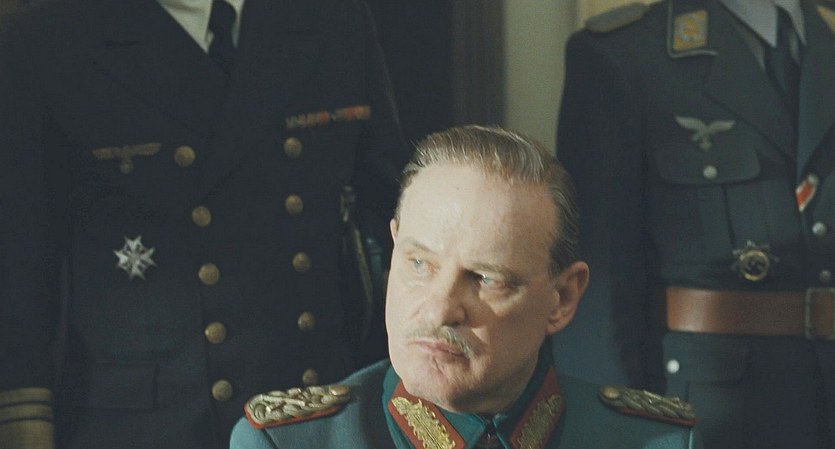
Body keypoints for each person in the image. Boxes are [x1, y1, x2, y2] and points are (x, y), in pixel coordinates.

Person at [0, 0, 410, 447]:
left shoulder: (331, 16)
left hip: (312, 415)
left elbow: (392, 214)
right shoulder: (44, 35)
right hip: (149, 424)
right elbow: (19, 266)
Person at [230, 125, 701, 449]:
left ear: (562, 299)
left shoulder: (658, 442)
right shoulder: (287, 444)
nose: (439, 310)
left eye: (485, 279)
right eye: (419, 263)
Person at [555, 0, 835, 448]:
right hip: (706, 416)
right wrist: (611, 435)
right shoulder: (625, 54)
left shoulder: (825, 40)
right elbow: (598, 295)